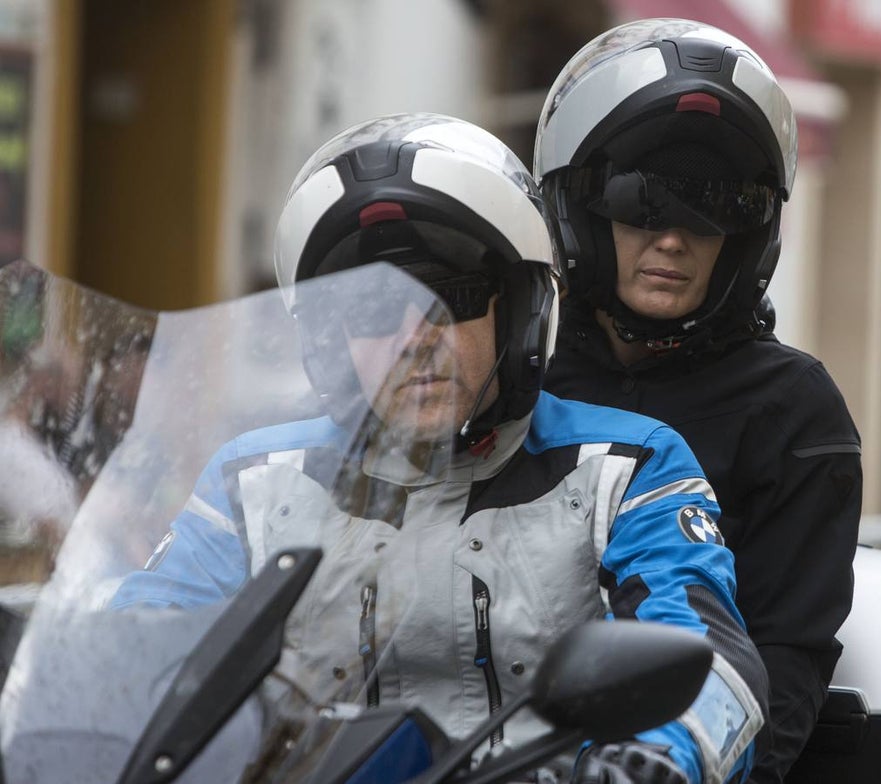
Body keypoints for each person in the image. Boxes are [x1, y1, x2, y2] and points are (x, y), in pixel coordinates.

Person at [110, 114, 769, 784]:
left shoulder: (624, 468)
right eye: (370, 311)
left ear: (519, 313)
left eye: (449, 297)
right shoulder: (253, 481)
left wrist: (655, 762)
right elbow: (138, 641)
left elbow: (710, 658)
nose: (412, 338)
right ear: (329, 343)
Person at [534, 20, 862, 783]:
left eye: (714, 205)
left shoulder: (793, 409)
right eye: (639, 198)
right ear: (581, 207)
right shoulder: (518, 385)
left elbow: (786, 657)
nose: (674, 238)